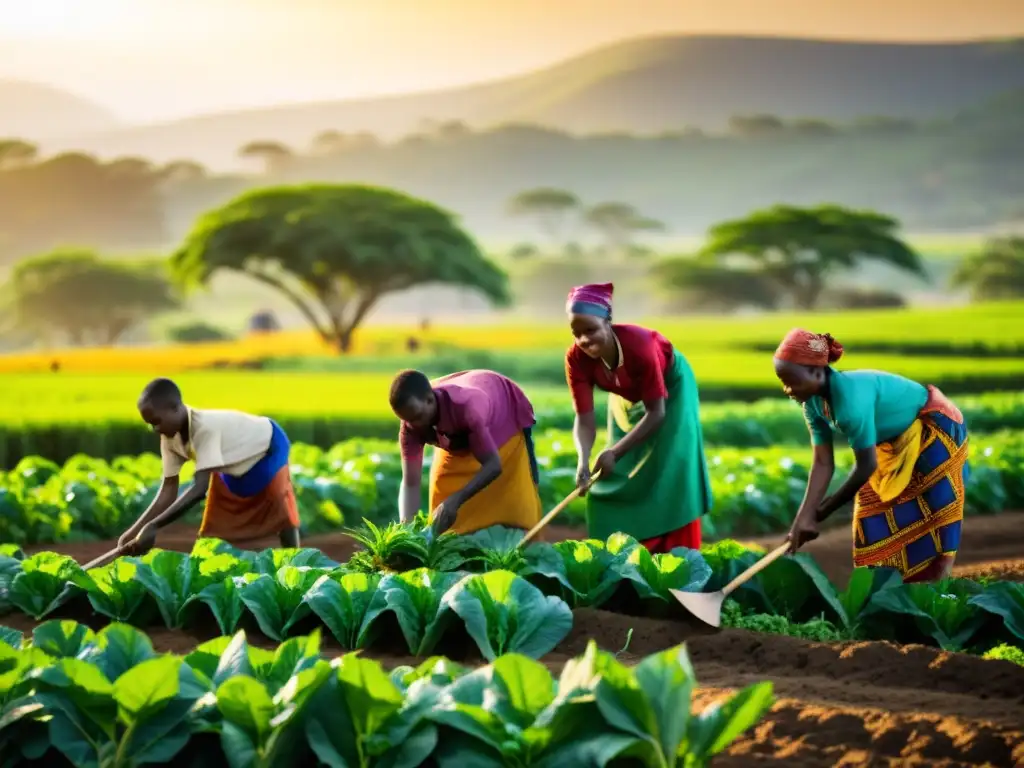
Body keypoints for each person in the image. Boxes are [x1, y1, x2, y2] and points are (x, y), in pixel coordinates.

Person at [774, 329, 970, 582]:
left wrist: (821, 513)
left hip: (933, 429)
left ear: (816, 372)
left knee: (935, 511)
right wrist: (803, 517)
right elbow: (822, 462)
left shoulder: (850, 404)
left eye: (791, 380)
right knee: (874, 513)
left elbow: (866, 466)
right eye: (782, 381)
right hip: (890, 444)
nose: (787, 389)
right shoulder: (811, 403)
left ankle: (934, 588)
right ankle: (885, 591)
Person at [564, 282, 712, 552]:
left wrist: (615, 452)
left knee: (669, 465)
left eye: (591, 330)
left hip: (672, 389)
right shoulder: (576, 359)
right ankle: (627, 551)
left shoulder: (639, 346)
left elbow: (657, 414)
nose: (584, 340)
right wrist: (582, 461)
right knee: (614, 476)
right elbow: (584, 418)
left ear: (608, 322)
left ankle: (673, 551)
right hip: (624, 393)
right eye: (576, 333)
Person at [119, 378, 301, 554]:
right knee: (215, 526)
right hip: (233, 461)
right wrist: (134, 531)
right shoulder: (168, 438)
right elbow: (168, 490)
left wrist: (154, 526)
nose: (155, 429)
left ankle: (296, 560)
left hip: (269, 445)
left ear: (175, 408)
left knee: (278, 504)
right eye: (150, 425)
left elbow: (200, 489)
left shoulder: (203, 428)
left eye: (157, 422)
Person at [390, 369, 542, 535]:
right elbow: (411, 482)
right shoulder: (411, 424)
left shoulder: (467, 407)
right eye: (408, 420)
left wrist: (456, 500)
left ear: (429, 400)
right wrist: (406, 531)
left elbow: (493, 465)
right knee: (442, 492)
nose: (415, 426)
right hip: (461, 425)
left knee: (512, 495)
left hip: (502, 410)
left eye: (417, 417)